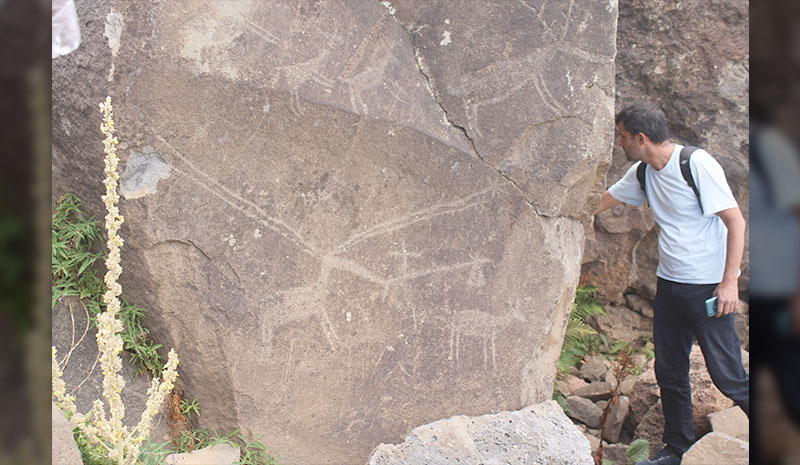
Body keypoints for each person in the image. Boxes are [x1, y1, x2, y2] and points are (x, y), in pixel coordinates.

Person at [594, 102, 749, 465]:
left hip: (708, 289)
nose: (620, 142)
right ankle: (676, 450)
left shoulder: (696, 164)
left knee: (728, 376)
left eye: (622, 136)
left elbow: (735, 222)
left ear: (641, 138)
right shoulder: (643, 172)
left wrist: (730, 283)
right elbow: (603, 201)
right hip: (669, 286)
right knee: (669, 371)